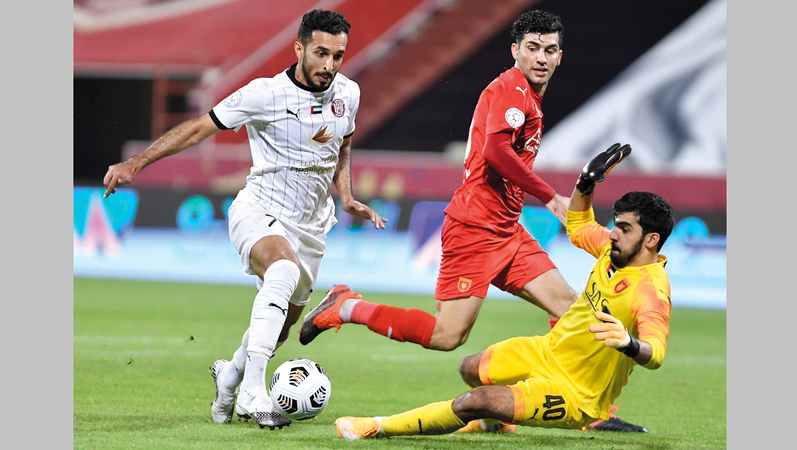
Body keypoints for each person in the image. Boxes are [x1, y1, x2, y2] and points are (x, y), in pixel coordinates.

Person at [298, 9, 643, 432]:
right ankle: (347, 306)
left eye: (550, 50)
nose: (541, 57)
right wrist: (549, 196)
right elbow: (496, 152)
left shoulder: (528, 96)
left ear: (560, 56)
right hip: (474, 229)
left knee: (573, 311)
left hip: (507, 229)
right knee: (447, 336)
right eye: (532, 48)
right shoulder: (512, 89)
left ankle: (590, 412)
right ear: (515, 50)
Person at [102, 9, 387, 430]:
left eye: (338, 56)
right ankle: (254, 391)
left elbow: (342, 147)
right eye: (321, 53)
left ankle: (231, 376)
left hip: (311, 227)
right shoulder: (264, 95)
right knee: (283, 270)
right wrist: (137, 162)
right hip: (259, 209)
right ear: (299, 48)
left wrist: (345, 196)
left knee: (282, 329)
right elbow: (198, 128)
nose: (329, 65)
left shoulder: (349, 92)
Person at [332, 142, 675, 440]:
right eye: (615, 225)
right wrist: (585, 183)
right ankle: (494, 425)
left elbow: (656, 353)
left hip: (576, 393)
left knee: (477, 400)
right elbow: (579, 224)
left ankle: (376, 427)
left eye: (624, 229)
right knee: (469, 368)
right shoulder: (611, 250)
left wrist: (628, 343)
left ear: (651, 240)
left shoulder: (651, 292)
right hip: (546, 352)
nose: (612, 233)